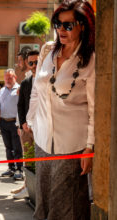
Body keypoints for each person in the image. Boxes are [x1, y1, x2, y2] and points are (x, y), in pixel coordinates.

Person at [26, 1, 95, 219]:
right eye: (57, 24)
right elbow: (36, 90)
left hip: (72, 145)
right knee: (43, 205)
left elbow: (95, 107)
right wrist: (30, 121)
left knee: (67, 208)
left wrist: (89, 147)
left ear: (82, 25)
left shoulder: (92, 59)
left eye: (68, 25)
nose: (60, 30)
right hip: (42, 142)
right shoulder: (47, 50)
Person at [12, 50, 39, 199]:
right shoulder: (26, 82)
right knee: (28, 158)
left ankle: (35, 188)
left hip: (43, 128)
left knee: (40, 160)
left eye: (37, 62)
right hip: (27, 128)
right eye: (31, 63)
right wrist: (22, 124)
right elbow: (21, 105)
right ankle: (28, 187)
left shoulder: (47, 79)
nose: (34, 65)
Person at [0, 69, 23, 180]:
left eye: (10, 77)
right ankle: (11, 168)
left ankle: (19, 169)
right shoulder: (2, 90)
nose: (8, 79)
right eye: (6, 77)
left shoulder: (20, 89)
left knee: (17, 147)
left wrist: (20, 123)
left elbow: (22, 106)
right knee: (8, 147)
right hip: (4, 122)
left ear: (15, 77)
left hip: (15, 122)